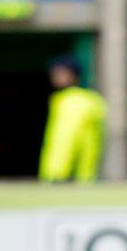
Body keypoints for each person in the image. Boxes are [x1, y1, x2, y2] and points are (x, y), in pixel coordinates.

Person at [38, 55, 107, 183]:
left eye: (61, 73)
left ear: (73, 75)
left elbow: (67, 140)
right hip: (69, 176)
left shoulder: (76, 101)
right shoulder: (62, 99)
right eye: (54, 73)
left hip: (63, 178)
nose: (56, 77)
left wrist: (57, 173)